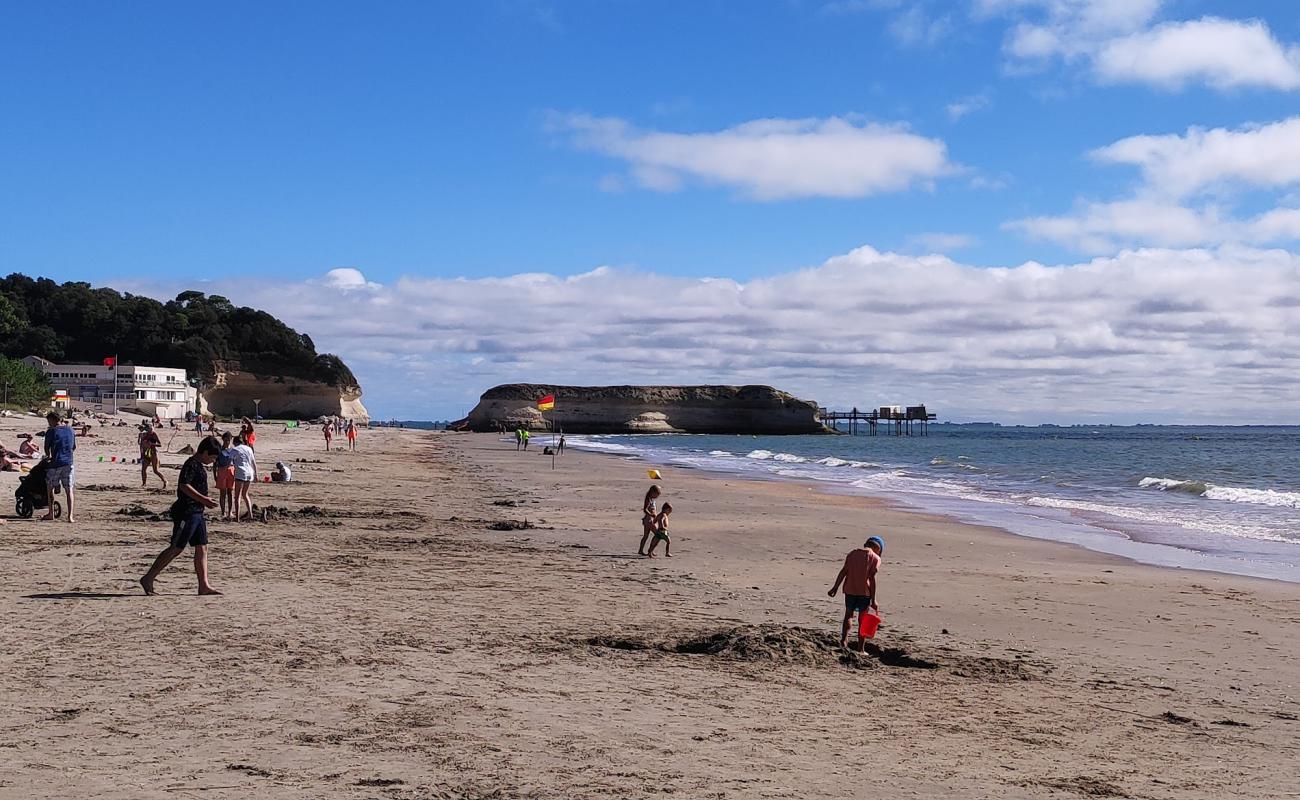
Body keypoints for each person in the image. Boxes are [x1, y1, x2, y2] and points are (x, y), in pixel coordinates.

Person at [139, 435, 222, 596]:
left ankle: (203, 585)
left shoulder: (199, 465)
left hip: (198, 512)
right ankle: (148, 577)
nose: (213, 461)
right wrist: (203, 499)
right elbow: (184, 486)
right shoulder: (191, 464)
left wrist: (203, 502)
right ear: (204, 452)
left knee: (202, 548)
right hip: (186, 512)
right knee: (176, 547)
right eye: (212, 457)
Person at [828, 536, 884, 652]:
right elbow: (872, 579)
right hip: (864, 593)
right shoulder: (875, 558)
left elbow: (844, 571)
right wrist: (873, 599)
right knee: (862, 620)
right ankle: (861, 648)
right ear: (877, 547)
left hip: (850, 590)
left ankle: (844, 641)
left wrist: (835, 587)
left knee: (848, 615)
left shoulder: (852, 554)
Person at [41, 411, 75, 523]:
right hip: (69, 462)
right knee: (69, 489)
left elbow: (47, 448)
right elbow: (73, 447)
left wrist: (49, 456)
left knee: (49, 486)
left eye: (49, 421)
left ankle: (51, 513)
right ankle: (70, 516)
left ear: (53, 420)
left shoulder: (51, 431)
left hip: (56, 463)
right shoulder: (70, 430)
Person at [229, 433, 258, 522]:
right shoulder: (249, 448)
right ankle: (250, 514)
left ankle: (237, 517)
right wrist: (256, 474)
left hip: (241, 473)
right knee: (245, 494)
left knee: (237, 496)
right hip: (250, 473)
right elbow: (254, 462)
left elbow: (229, 460)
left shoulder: (235, 449)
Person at [214, 431, 237, 520]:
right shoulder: (219, 450)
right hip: (221, 470)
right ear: (223, 440)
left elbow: (235, 462)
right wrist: (215, 475)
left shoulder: (233, 450)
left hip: (231, 470)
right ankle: (223, 511)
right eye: (226, 440)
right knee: (222, 493)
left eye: (229, 440)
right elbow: (215, 463)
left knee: (230, 492)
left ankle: (230, 511)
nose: (227, 442)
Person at [138, 423, 167, 489]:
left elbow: (160, 444)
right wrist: (141, 455)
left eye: (151, 429)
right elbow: (141, 446)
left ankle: (165, 481)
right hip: (146, 454)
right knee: (143, 469)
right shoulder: (143, 435)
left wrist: (152, 444)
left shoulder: (154, 434)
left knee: (155, 470)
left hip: (153, 453)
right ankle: (144, 484)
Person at [638, 484, 662, 556]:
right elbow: (645, 509)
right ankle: (650, 550)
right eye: (657, 495)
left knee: (646, 536)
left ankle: (642, 550)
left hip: (649, 520)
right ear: (652, 492)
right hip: (649, 520)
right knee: (658, 535)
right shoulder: (648, 499)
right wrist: (651, 515)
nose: (657, 497)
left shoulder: (652, 499)